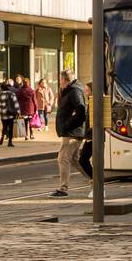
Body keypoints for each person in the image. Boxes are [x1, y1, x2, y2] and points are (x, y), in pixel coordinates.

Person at [51, 69, 86, 198]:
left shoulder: (74, 91)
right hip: (71, 131)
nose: (59, 82)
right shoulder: (70, 91)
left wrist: (67, 125)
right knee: (75, 160)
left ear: (65, 80)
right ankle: (95, 180)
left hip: (72, 132)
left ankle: (63, 189)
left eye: (60, 80)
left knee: (63, 158)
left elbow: (81, 111)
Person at [78, 82, 95, 179]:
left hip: (93, 137)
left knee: (83, 160)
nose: (85, 92)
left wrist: (88, 134)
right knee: (83, 160)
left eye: (87, 90)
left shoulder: (95, 102)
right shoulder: (90, 102)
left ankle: (95, 180)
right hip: (90, 136)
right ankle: (94, 179)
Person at [0, 79, 19, 147]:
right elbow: (15, 103)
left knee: (4, 126)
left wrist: (0, 111)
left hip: (3, 113)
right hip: (10, 113)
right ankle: (10, 142)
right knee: (11, 127)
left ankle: (3, 136)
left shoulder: (0, 95)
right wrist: (18, 112)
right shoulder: (11, 94)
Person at [15, 76, 36, 141]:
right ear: (28, 83)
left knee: (24, 122)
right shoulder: (32, 90)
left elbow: (17, 99)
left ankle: (26, 135)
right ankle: (31, 134)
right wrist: (36, 109)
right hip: (30, 109)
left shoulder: (20, 90)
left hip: (23, 109)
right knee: (30, 122)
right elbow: (34, 100)